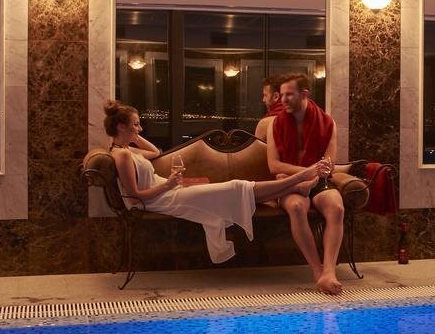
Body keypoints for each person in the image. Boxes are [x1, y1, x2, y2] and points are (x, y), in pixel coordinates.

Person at [105, 99, 330, 264]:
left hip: (169, 192)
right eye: (135, 125)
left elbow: (156, 152)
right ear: (121, 127)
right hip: (161, 199)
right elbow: (135, 196)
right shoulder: (122, 156)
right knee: (235, 187)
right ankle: (299, 178)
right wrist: (168, 185)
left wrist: (135, 136)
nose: (140, 128)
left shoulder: (126, 150)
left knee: (235, 189)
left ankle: (295, 185)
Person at [266, 73, 345, 295]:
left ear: (305, 94)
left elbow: (328, 164)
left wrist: (316, 175)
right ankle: (317, 271)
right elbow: (274, 166)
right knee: (297, 206)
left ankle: (329, 271)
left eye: (289, 94)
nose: (283, 99)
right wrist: (305, 174)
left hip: (318, 181)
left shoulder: (327, 123)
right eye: (281, 95)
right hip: (290, 183)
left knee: (337, 208)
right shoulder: (275, 124)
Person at [254, 74, 287, 141]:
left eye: (265, 95)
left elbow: (256, 147)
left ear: (276, 96)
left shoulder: (266, 123)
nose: (263, 100)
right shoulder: (300, 118)